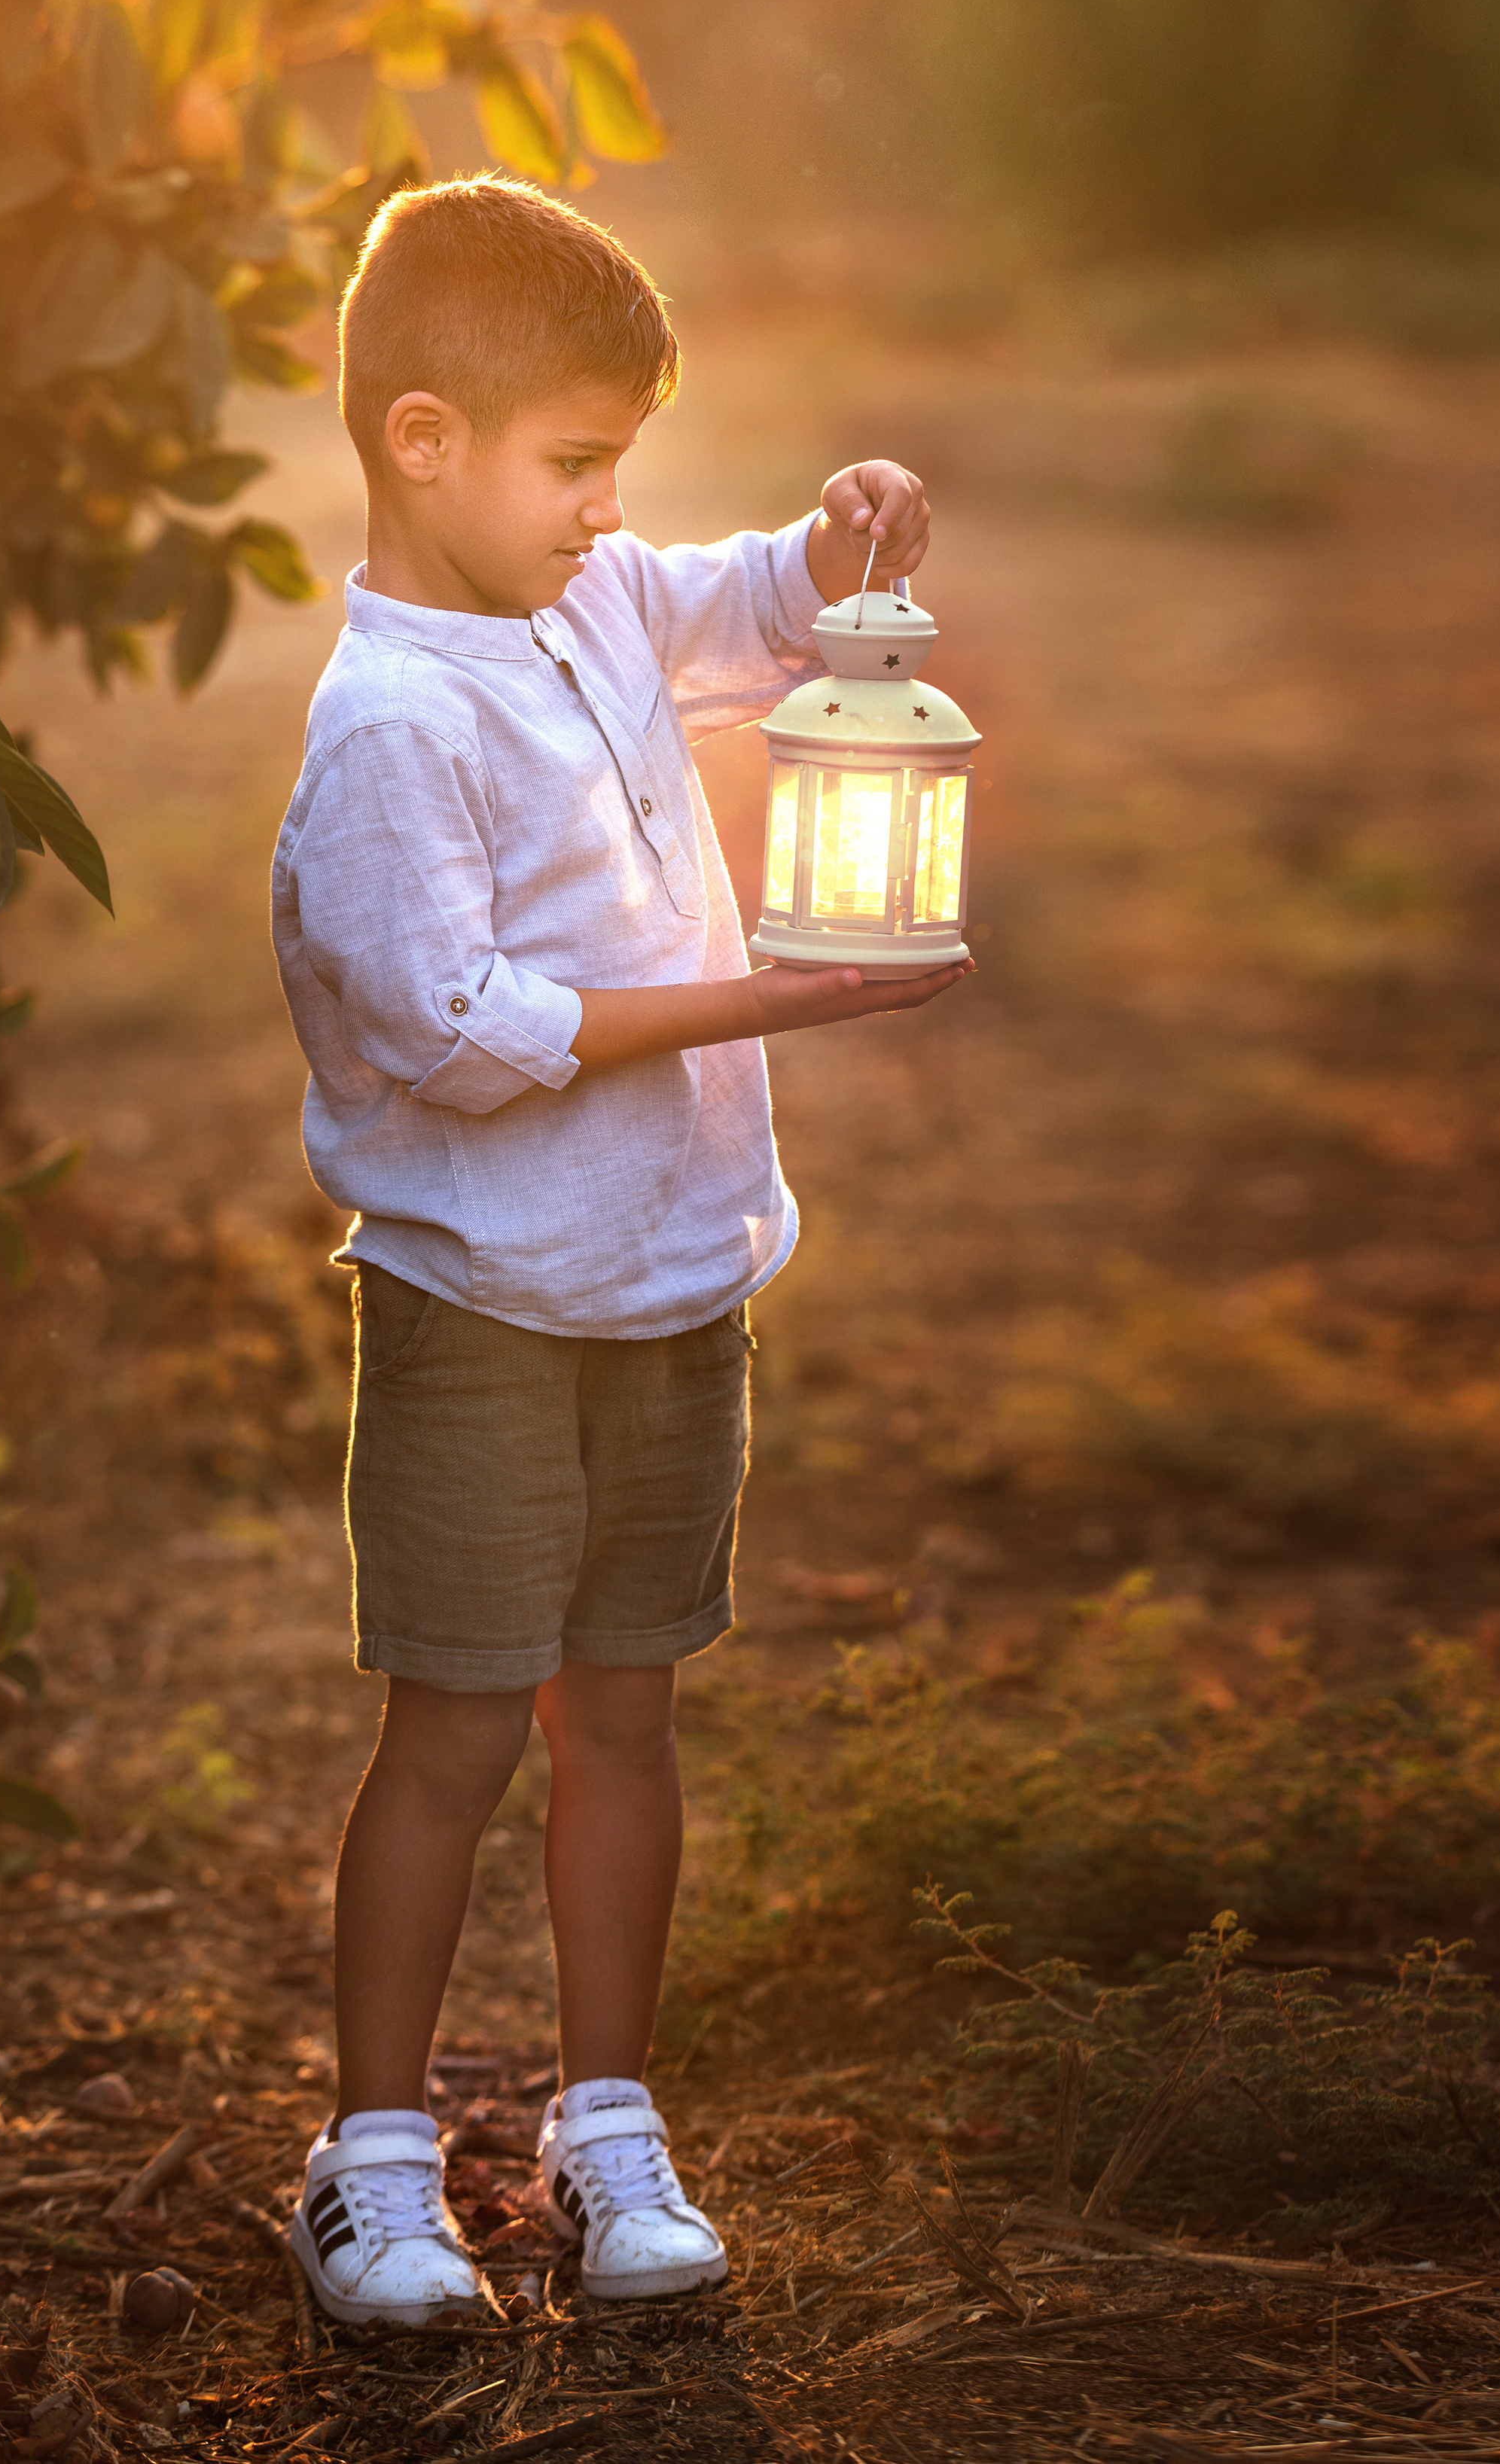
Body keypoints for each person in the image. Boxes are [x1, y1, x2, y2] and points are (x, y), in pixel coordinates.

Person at [270, 174, 969, 2325]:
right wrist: (776, 992)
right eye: (574, 464)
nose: (603, 511)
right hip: (485, 1301)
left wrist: (839, 544)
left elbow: (733, 604)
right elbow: (473, 1040)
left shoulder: (587, 603)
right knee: (458, 1732)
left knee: (625, 1717)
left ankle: (606, 2123)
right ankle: (375, 2163)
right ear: (421, 442)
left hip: (672, 1278)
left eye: (617, 470)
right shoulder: (392, 726)